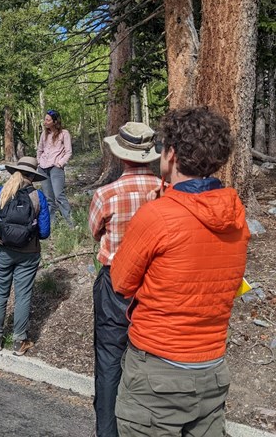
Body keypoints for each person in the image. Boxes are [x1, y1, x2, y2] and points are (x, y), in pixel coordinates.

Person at [111, 107, 250, 436]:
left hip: (158, 373)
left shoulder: (157, 216)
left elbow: (121, 281)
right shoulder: (235, 213)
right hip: (212, 369)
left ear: (171, 154)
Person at [88, 122, 161, 437]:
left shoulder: (106, 193)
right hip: (155, 284)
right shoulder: (165, 191)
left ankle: (108, 430)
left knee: (108, 359)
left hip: (115, 283)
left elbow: (95, 232)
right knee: (153, 358)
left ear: (121, 156)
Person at [0, 157, 50, 356]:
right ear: (33, 176)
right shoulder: (38, 197)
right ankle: (19, 341)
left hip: (2, 250)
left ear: (15, 172)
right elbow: (45, 232)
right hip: (28, 254)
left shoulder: (3, 191)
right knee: (23, 296)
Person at [36, 109, 74, 228]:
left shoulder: (64, 134)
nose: (45, 122)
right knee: (48, 198)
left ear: (55, 121)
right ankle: (51, 224)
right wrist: (39, 161)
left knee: (59, 195)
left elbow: (69, 152)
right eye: (45, 119)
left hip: (56, 168)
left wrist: (60, 163)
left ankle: (71, 223)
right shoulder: (44, 134)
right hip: (43, 167)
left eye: (48, 120)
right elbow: (39, 149)